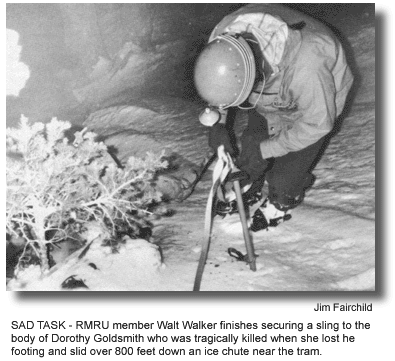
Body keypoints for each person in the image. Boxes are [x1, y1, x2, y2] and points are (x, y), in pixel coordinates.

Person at [194, 4, 354, 231]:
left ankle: (282, 198)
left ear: (255, 74)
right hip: (268, 96)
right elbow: (220, 83)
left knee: (284, 174)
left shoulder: (309, 67)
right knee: (252, 146)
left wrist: (266, 149)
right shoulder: (223, 39)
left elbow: (317, 125)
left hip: (311, 109)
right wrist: (218, 124)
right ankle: (248, 182)